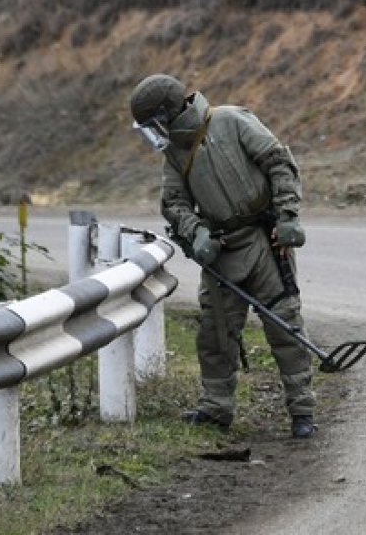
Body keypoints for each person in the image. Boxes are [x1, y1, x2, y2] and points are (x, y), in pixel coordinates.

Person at [129, 74, 317, 438]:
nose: (153, 134)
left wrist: (288, 216)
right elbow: (174, 204)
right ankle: (216, 408)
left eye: (153, 125)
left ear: (167, 114)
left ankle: (302, 410)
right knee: (215, 334)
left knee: (284, 324)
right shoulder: (174, 155)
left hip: (265, 243)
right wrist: (197, 232)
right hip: (221, 252)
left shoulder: (231, 120)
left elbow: (278, 162)